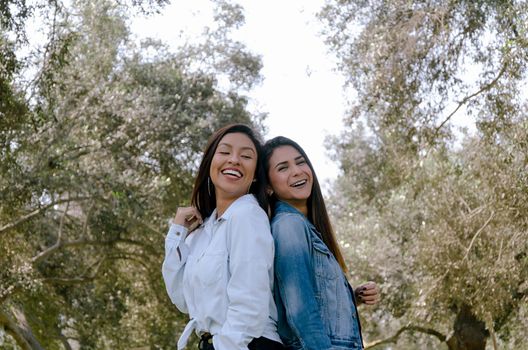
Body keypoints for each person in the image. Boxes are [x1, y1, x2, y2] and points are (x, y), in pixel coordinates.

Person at [162, 124, 283, 350]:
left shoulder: (247, 216)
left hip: (248, 344)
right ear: (211, 163)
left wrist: (225, 345)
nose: (234, 160)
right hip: (217, 343)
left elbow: (249, 305)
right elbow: (182, 299)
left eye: (246, 156)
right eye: (225, 152)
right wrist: (177, 233)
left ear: (256, 175)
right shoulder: (202, 231)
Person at [263, 136, 379, 350]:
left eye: (300, 162)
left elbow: (312, 297)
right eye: (283, 168)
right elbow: (300, 311)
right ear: (268, 187)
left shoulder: (304, 226)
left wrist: (353, 298)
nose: (297, 171)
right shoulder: (289, 226)